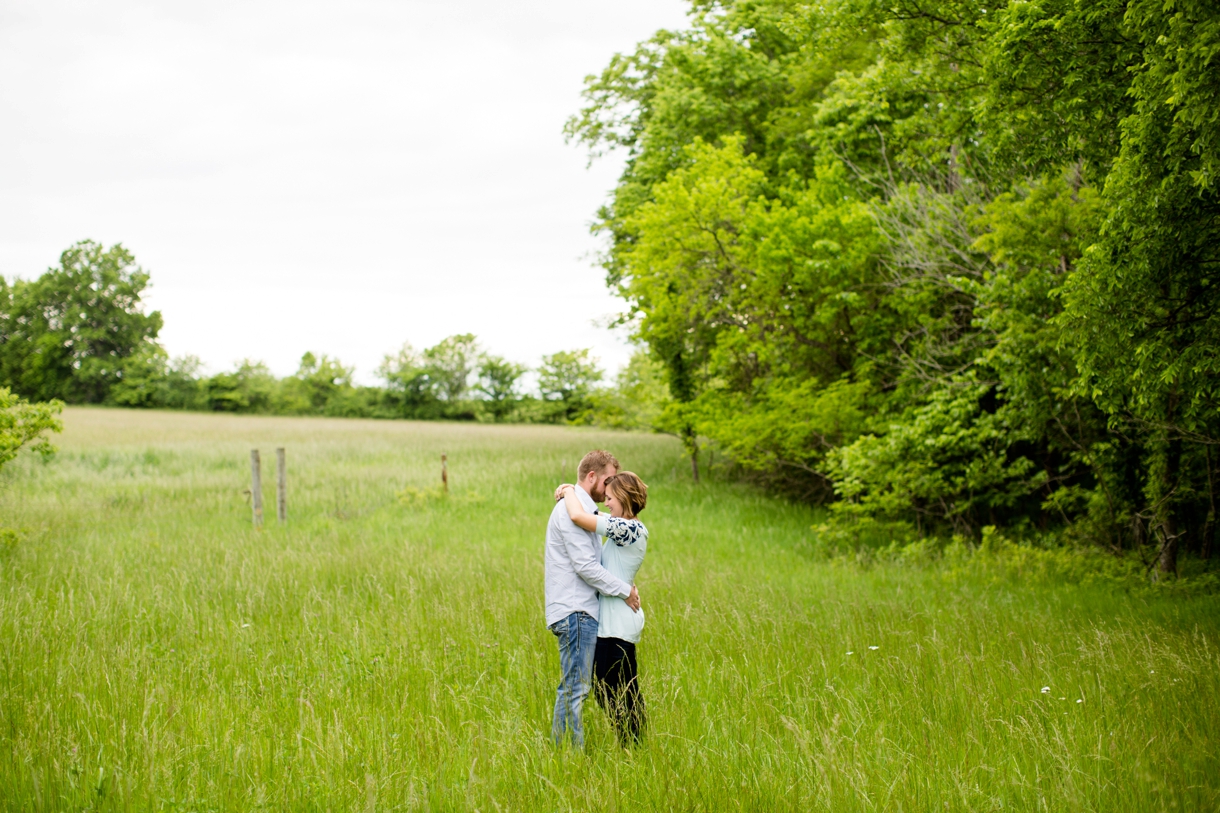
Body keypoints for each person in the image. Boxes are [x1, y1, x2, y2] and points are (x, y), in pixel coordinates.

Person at [544, 450, 640, 748]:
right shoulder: (571, 511)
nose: (611, 487)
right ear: (592, 476)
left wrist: (568, 489)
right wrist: (626, 591)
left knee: (580, 688)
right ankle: (566, 754)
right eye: (608, 478)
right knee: (575, 689)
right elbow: (586, 567)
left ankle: (569, 751)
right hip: (576, 611)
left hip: (581, 611)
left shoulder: (585, 510)